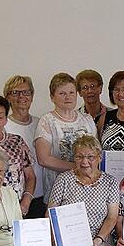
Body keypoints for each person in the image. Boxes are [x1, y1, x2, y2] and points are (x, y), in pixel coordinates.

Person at [35, 72, 97, 203]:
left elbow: (96, 153)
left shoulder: (87, 119)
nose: (67, 97)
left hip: (87, 191)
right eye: (62, 93)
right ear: (52, 97)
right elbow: (44, 159)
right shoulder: (47, 121)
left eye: (71, 92)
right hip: (57, 192)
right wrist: (78, 167)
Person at [4, 75, 46, 218]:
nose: (21, 96)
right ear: (7, 97)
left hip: (41, 194)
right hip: (14, 197)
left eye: (26, 92)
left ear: (32, 96)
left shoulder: (41, 123)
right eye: (15, 92)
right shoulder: (3, 126)